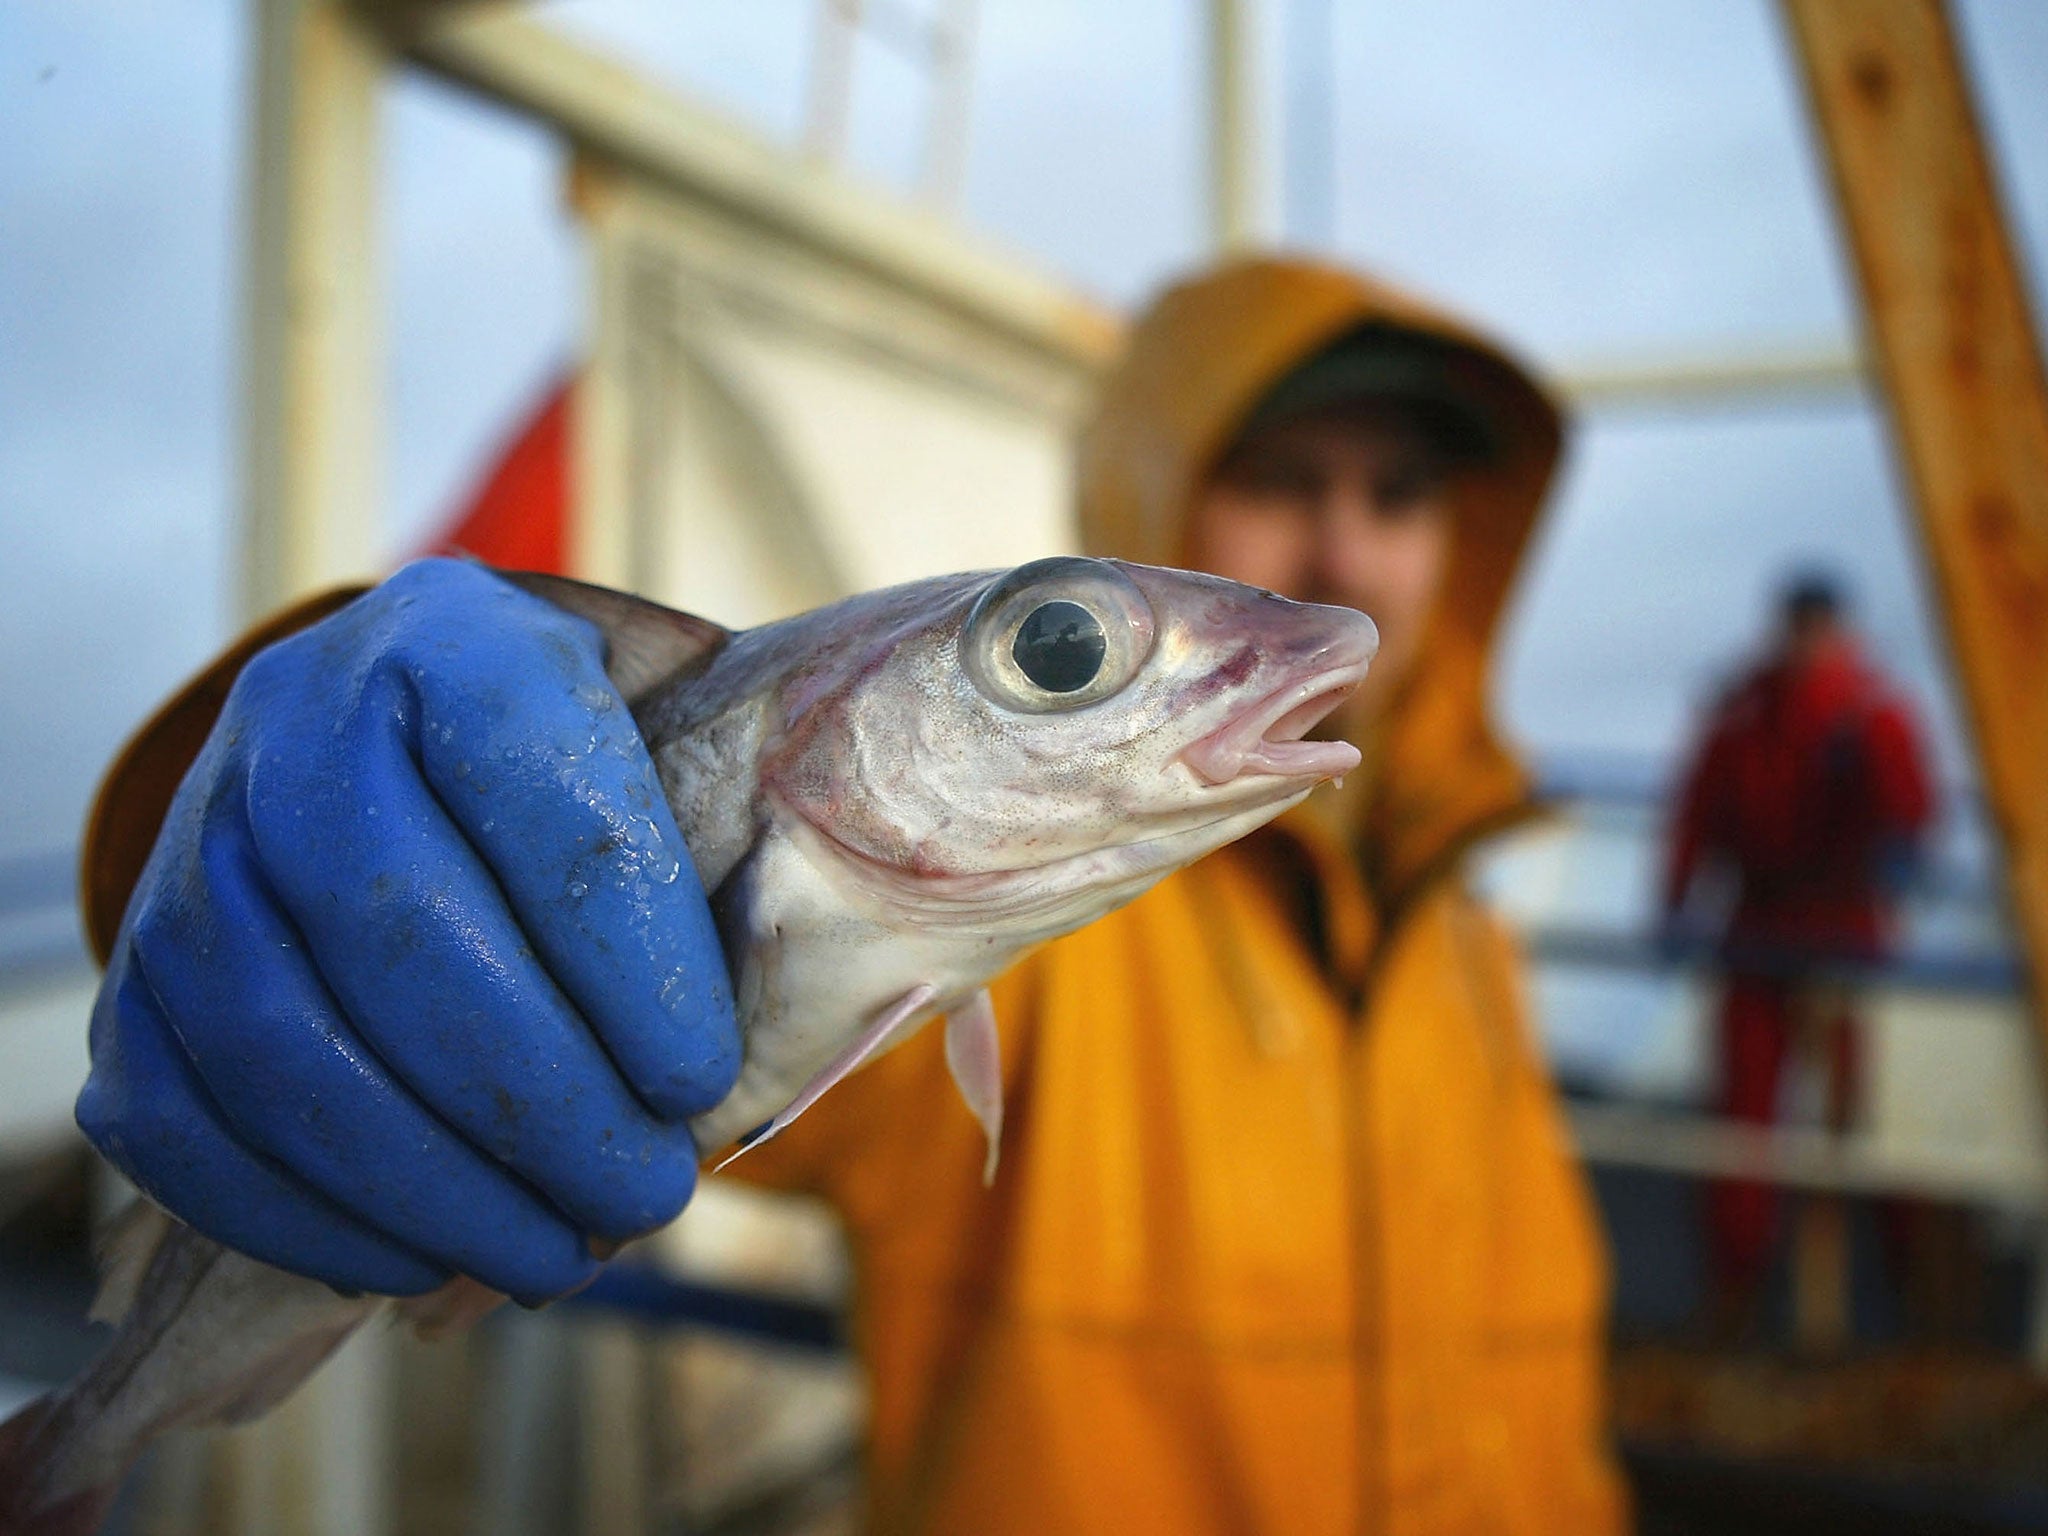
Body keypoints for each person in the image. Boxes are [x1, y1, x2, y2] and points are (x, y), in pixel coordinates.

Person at [76, 257, 1625, 1533]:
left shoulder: (1466, 935)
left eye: (1402, 495)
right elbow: (467, 950)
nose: (1343, 551)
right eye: (1279, 480)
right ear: (1158, 491)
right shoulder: (1043, 933)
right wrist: (289, 819)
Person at [1661, 572, 1937, 1335]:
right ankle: (1739, 1286)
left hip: (1847, 930)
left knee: (1870, 1118)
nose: (1808, 647)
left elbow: (1912, 813)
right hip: (1758, 925)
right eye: (1798, 631)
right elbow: (1697, 810)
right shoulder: (1743, 714)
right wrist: (1676, 897)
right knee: (1743, 1123)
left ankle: (1907, 1287)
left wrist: (1889, 819)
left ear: (1841, 633)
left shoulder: (1874, 715)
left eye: (1820, 632)